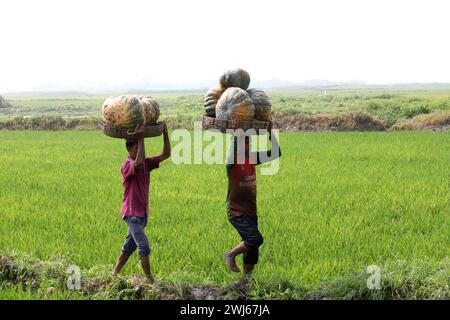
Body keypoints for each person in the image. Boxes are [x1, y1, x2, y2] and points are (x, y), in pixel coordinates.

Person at [112, 123, 171, 284]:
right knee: (143, 246)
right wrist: (141, 136)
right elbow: (137, 164)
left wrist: (165, 133)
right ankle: (150, 281)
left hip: (142, 214)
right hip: (131, 213)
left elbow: (166, 154)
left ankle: (114, 273)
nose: (141, 150)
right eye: (138, 146)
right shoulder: (126, 166)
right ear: (130, 148)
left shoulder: (147, 163)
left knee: (129, 247)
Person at [224, 123, 281, 275]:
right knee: (255, 239)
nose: (248, 144)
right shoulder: (231, 162)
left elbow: (276, 152)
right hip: (236, 212)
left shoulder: (252, 158)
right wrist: (237, 133)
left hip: (250, 211)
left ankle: (246, 281)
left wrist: (271, 132)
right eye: (245, 141)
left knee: (252, 249)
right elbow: (233, 148)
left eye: (249, 141)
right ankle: (230, 254)